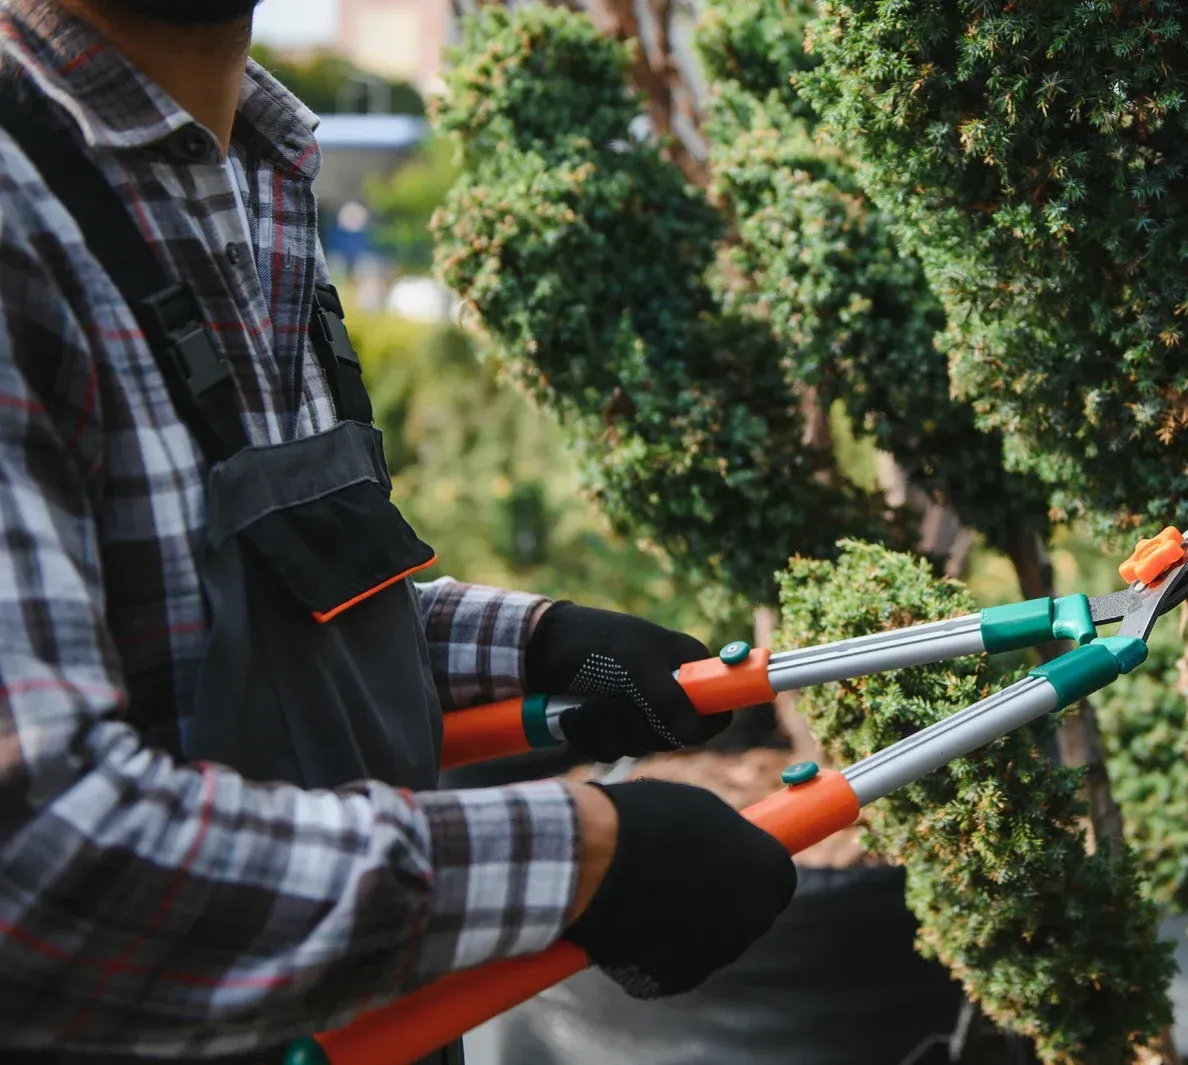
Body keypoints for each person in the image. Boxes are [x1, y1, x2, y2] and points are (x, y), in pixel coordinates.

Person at [0, 1, 798, 1063]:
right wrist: (588, 856)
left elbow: (239, 600)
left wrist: (533, 643)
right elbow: (37, 857)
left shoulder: (257, 166)